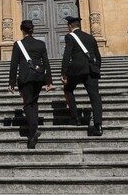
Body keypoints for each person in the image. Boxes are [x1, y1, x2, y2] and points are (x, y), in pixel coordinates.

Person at [9, 19, 53, 149]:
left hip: (25, 78)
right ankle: (34, 127)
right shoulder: (40, 44)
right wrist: (49, 81)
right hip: (38, 78)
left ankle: (33, 131)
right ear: (32, 30)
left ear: (22, 30)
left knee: (27, 103)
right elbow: (46, 63)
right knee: (34, 102)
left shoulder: (18, 45)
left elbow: (13, 65)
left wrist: (11, 82)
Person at [61, 16, 103, 136]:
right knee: (95, 97)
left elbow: (67, 55)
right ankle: (98, 125)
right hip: (91, 69)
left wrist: (63, 73)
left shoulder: (69, 36)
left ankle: (75, 118)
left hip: (77, 69)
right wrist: (96, 68)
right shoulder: (90, 37)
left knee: (68, 89)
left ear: (69, 26)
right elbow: (98, 56)